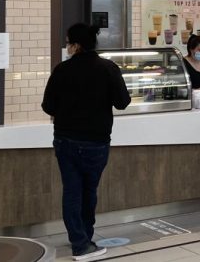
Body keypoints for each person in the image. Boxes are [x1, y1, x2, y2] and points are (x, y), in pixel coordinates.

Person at [41, 23, 131, 260]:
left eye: (69, 41)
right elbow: (123, 102)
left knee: (72, 191)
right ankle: (84, 240)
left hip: (65, 140)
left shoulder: (61, 70)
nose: (67, 45)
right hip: (96, 141)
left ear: (77, 45)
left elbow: (47, 106)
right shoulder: (108, 68)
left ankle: (79, 241)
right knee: (89, 191)